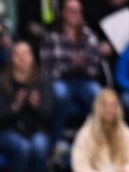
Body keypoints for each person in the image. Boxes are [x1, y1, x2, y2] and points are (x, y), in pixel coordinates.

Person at [0, 41, 54, 172]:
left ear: (32, 57)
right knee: (23, 147)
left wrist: (36, 106)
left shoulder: (42, 80)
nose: (22, 58)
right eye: (17, 54)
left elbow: (49, 116)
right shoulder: (0, 80)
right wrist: (15, 107)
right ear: (11, 58)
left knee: (40, 146)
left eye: (26, 54)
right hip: (7, 131)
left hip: (36, 130)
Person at [39, 0, 103, 151]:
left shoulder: (89, 36)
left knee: (98, 94)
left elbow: (96, 70)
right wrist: (69, 66)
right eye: (71, 11)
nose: (75, 15)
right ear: (63, 13)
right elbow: (46, 70)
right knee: (61, 94)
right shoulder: (52, 36)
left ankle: (92, 139)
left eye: (78, 11)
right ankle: (58, 140)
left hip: (83, 79)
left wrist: (84, 66)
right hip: (60, 79)